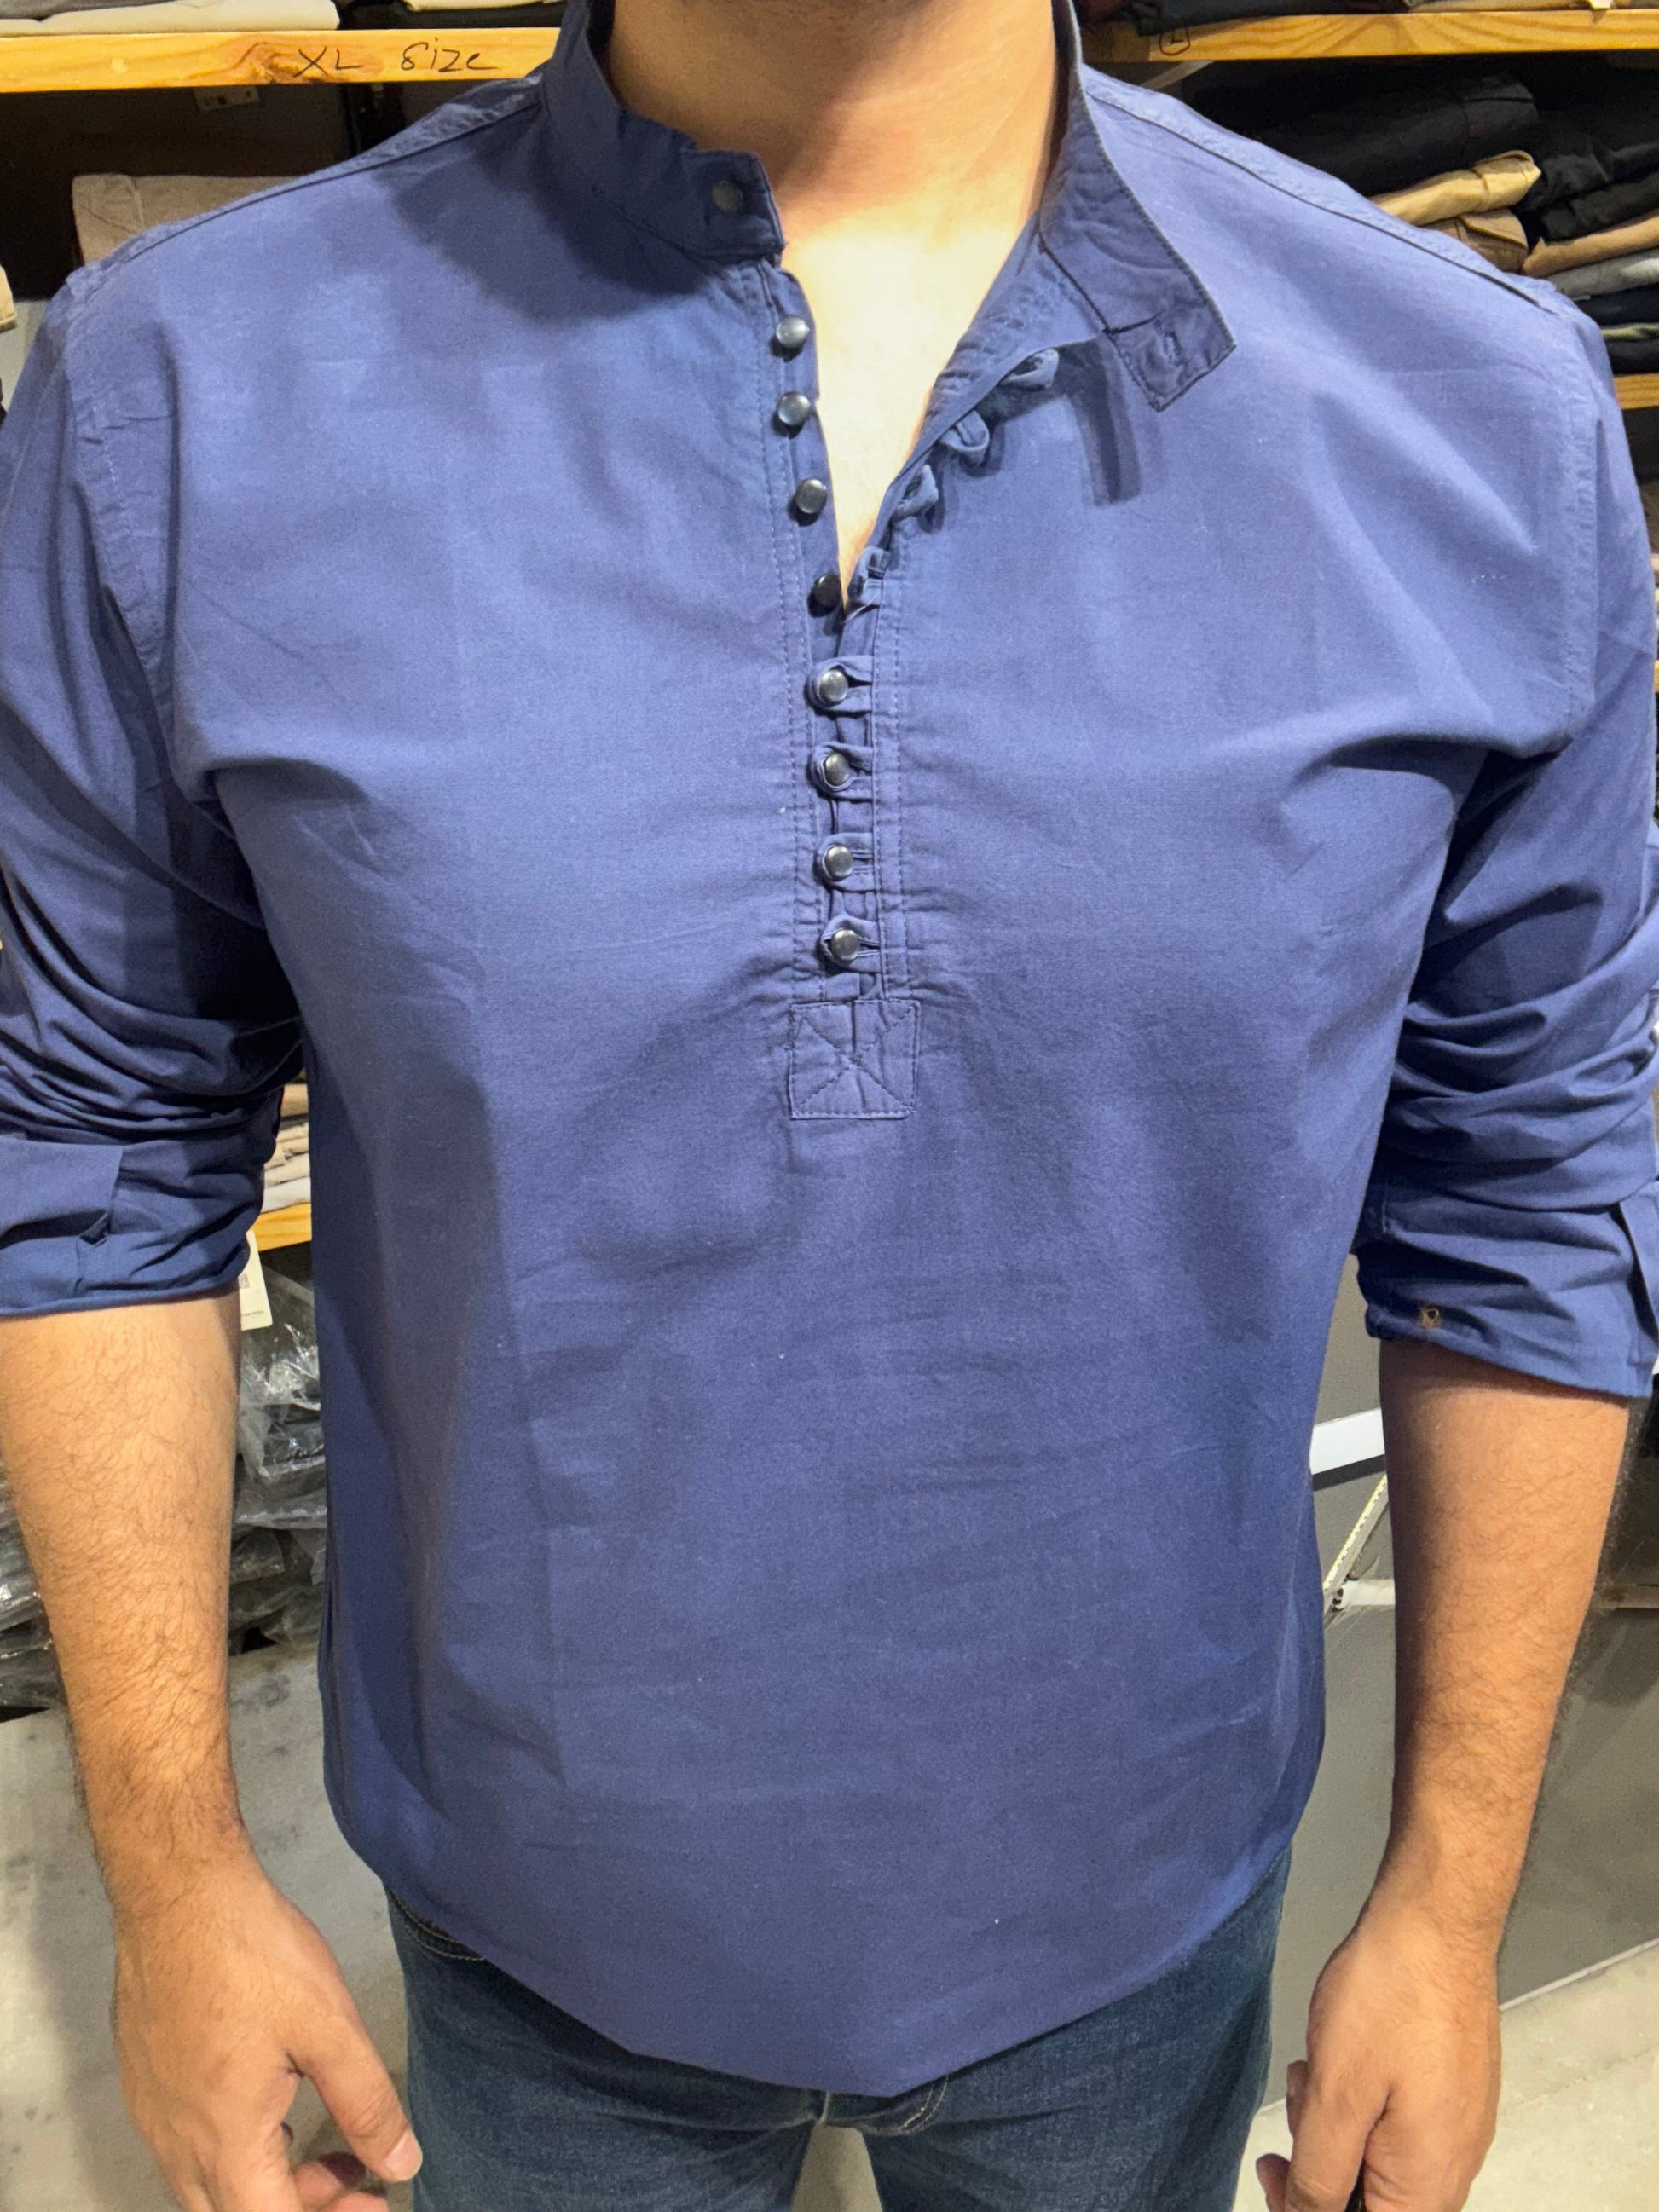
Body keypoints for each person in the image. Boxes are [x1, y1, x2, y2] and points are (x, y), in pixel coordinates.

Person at [0, 0, 1655, 2205]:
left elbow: (1530, 1193)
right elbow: (93, 1150)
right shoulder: (182, 392)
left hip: (1144, 1906)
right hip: (526, 1929)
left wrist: (1448, 1895)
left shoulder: (1473, 409)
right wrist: (174, 1868)